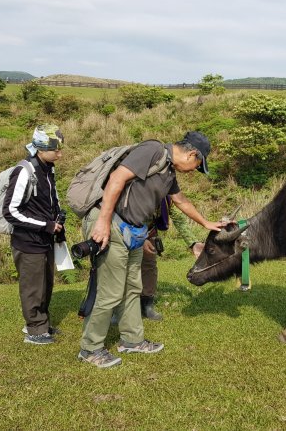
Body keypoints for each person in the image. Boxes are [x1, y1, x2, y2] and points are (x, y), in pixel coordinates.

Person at [78, 131, 224, 368]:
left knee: (133, 286)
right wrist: (103, 222)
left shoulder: (167, 170)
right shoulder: (153, 150)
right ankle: (90, 348)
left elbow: (180, 201)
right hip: (111, 223)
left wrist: (206, 223)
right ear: (192, 154)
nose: (194, 170)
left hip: (134, 231)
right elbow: (116, 179)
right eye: (198, 165)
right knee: (111, 291)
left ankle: (132, 340)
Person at [3, 124, 65, 345]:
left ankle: (42, 324)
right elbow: (10, 211)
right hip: (27, 241)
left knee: (46, 284)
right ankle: (34, 331)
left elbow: (51, 199)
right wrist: (45, 225)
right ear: (40, 148)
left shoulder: (48, 168)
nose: (60, 153)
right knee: (33, 287)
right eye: (56, 149)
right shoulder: (24, 170)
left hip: (45, 239)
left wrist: (57, 221)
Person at [140, 197, 205, 320]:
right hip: (127, 232)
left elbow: (178, 218)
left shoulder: (166, 196)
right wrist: (139, 238)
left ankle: (146, 305)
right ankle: (118, 309)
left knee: (149, 267)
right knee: (124, 268)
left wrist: (192, 243)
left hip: (150, 232)